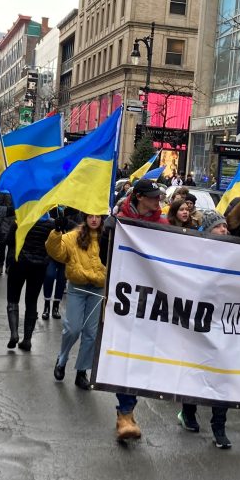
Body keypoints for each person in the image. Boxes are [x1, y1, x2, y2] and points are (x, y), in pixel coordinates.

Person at [99, 179, 166, 441]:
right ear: (138, 197)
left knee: (142, 356)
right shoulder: (118, 223)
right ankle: (125, 413)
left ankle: (128, 409)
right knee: (125, 353)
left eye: (158, 197)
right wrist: (109, 233)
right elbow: (106, 259)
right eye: (151, 197)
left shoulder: (163, 225)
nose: (157, 202)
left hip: (152, 300)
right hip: (124, 298)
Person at [47, 211, 107, 386]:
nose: (94, 219)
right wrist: (56, 233)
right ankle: (62, 359)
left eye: (98, 216)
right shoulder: (73, 236)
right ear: (85, 218)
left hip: (99, 289)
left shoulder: (108, 236)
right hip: (77, 287)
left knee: (91, 333)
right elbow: (57, 252)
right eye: (90, 216)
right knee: (73, 329)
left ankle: (82, 371)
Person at [6, 214, 54, 351]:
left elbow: (9, 240)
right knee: (31, 302)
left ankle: (14, 333)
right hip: (39, 267)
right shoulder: (51, 224)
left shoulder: (21, 219)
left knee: (13, 299)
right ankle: (27, 340)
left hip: (19, 263)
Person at [0, 193, 17, 276]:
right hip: (5, 221)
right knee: (2, 244)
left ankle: (8, 266)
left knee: (12, 245)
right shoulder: (4, 191)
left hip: (16, 221)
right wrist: (9, 210)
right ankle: (0, 266)